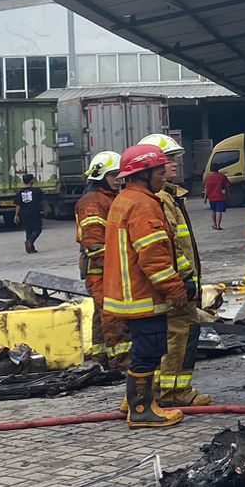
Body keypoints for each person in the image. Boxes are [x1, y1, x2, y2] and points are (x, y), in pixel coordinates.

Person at [102, 143, 190, 429]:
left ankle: (134, 400)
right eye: (159, 172)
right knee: (149, 349)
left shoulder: (125, 199)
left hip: (127, 294)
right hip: (143, 296)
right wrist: (175, 289)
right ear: (144, 173)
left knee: (142, 347)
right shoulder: (142, 204)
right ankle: (141, 410)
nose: (163, 177)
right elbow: (153, 256)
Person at [137, 134, 209, 407]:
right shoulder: (161, 200)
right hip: (176, 284)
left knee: (182, 335)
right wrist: (183, 280)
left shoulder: (170, 196)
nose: (174, 164)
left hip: (179, 281)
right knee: (179, 336)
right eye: (168, 160)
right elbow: (168, 247)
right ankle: (172, 393)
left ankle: (173, 390)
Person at [74, 151, 124, 373]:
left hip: (107, 267)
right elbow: (94, 242)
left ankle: (101, 355)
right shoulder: (92, 202)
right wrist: (115, 268)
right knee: (113, 314)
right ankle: (120, 360)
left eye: (119, 174)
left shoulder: (108, 197)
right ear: (100, 176)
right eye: (113, 175)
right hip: (100, 269)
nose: (118, 179)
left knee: (102, 313)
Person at [13, 173, 43, 254]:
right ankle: (30, 242)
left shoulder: (19, 192)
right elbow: (42, 201)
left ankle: (30, 248)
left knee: (28, 230)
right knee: (38, 229)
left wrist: (16, 215)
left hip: (24, 213)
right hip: (34, 212)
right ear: (31, 181)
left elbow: (18, 205)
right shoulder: (36, 191)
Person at [204, 163, 230, 231]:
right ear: (218, 168)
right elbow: (227, 186)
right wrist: (228, 194)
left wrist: (205, 198)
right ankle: (218, 226)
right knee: (219, 211)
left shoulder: (208, 177)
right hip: (220, 196)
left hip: (211, 197)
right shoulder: (222, 176)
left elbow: (206, 189)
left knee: (213, 210)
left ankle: (215, 224)